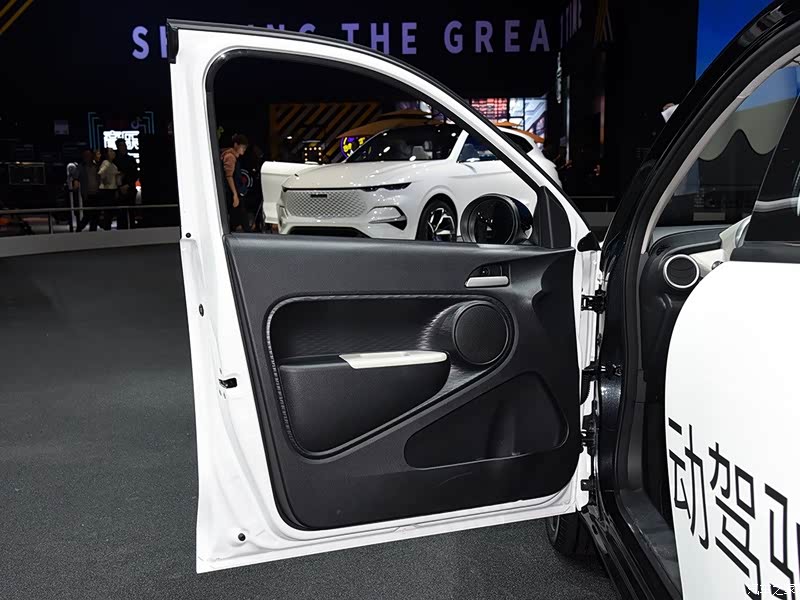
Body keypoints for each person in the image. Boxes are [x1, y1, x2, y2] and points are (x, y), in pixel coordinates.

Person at [220, 133, 249, 231]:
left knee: (239, 218)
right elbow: (229, 176)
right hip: (232, 192)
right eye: (242, 147)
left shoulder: (232, 157)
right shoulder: (230, 157)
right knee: (238, 219)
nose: (244, 149)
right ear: (236, 145)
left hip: (234, 191)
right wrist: (235, 194)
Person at [114, 138, 139, 229]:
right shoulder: (115, 161)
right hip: (119, 190)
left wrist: (128, 185)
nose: (123, 147)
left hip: (130, 188)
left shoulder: (131, 159)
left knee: (131, 212)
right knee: (121, 214)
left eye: (124, 145)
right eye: (121, 145)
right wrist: (120, 187)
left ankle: (132, 229)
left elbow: (135, 174)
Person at [75, 150, 101, 232]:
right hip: (87, 194)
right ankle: (79, 229)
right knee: (87, 215)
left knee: (96, 215)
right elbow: (76, 177)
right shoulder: (80, 167)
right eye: (86, 155)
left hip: (97, 193)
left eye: (89, 155)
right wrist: (75, 183)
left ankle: (93, 232)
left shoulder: (96, 166)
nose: (88, 157)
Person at [97, 148, 120, 230]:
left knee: (110, 212)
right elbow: (100, 172)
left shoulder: (113, 164)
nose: (113, 153)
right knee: (108, 212)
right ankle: (106, 228)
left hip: (112, 189)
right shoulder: (106, 163)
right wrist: (104, 180)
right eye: (111, 151)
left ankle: (107, 227)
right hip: (107, 190)